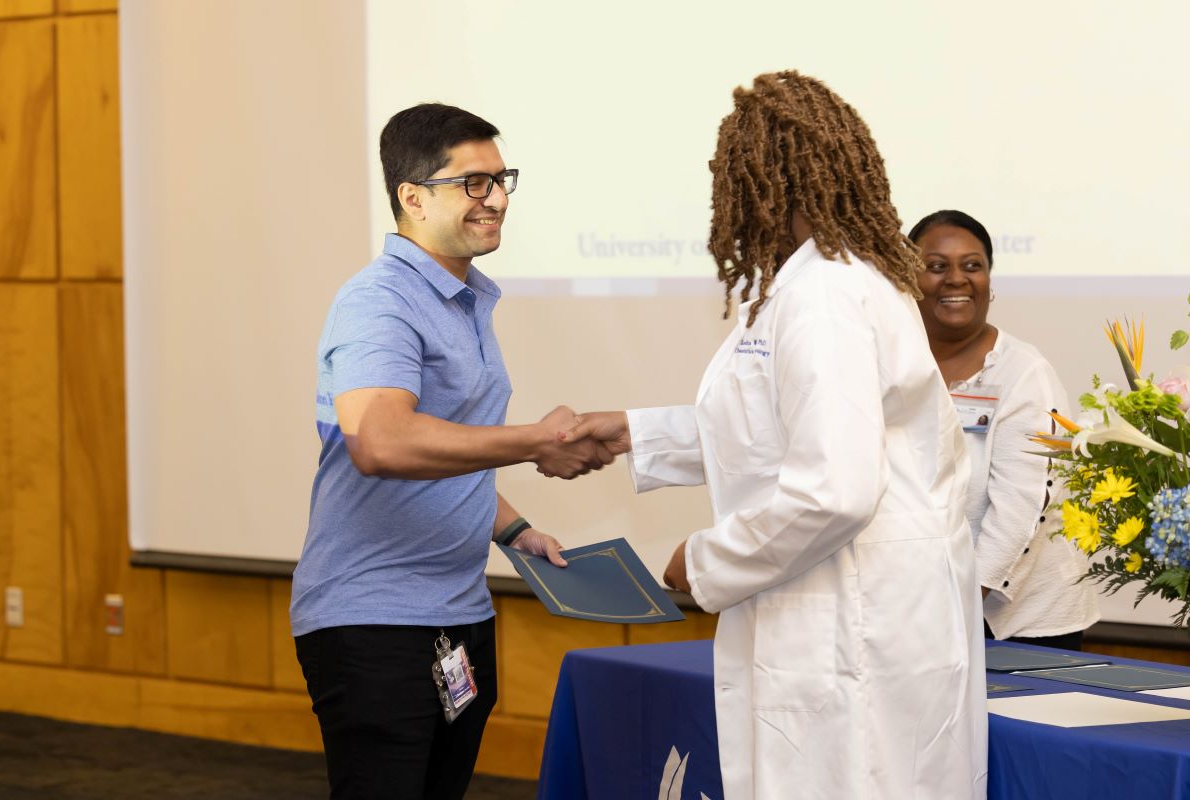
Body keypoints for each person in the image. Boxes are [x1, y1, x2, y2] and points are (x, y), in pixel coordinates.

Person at [563, 72, 986, 799]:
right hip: (856, 615)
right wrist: (634, 433)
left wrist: (705, 561)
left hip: (854, 626)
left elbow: (835, 490)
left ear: (761, 179)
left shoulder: (824, 295)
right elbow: (773, 430)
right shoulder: (826, 282)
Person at [290, 103, 609, 800]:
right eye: (473, 182)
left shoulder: (464, 298)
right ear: (412, 196)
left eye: (501, 180)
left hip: (458, 615)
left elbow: (444, 445)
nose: (495, 198)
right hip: (375, 621)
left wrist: (514, 529)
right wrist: (535, 441)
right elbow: (379, 439)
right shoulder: (380, 301)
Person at [908, 209, 1099, 649]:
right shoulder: (895, 366)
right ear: (908, 280)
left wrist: (955, 611)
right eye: (936, 267)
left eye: (972, 266)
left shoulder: (1023, 372)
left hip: (1021, 620)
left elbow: (1021, 510)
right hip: (923, 609)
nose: (956, 279)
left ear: (989, 282)